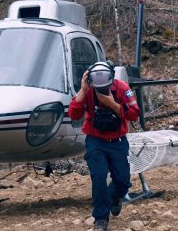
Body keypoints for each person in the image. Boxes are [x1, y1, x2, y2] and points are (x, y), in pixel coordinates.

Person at [68, 61, 140, 231]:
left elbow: (134, 114)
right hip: (96, 140)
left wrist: (111, 103)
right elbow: (74, 114)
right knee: (99, 177)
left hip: (118, 141)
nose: (101, 87)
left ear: (111, 78)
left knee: (122, 181)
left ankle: (115, 197)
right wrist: (83, 90)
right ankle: (101, 219)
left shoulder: (122, 88)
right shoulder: (88, 89)